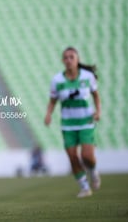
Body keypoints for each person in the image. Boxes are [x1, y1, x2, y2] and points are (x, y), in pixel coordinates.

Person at [44, 46, 101, 198]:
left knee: (87, 157)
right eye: (66, 57)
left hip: (86, 122)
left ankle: (93, 172)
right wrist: (48, 114)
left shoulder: (87, 77)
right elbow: (52, 101)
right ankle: (84, 187)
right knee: (72, 156)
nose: (69, 60)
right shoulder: (57, 80)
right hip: (68, 125)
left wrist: (98, 111)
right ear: (63, 61)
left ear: (77, 59)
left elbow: (96, 95)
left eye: (72, 57)